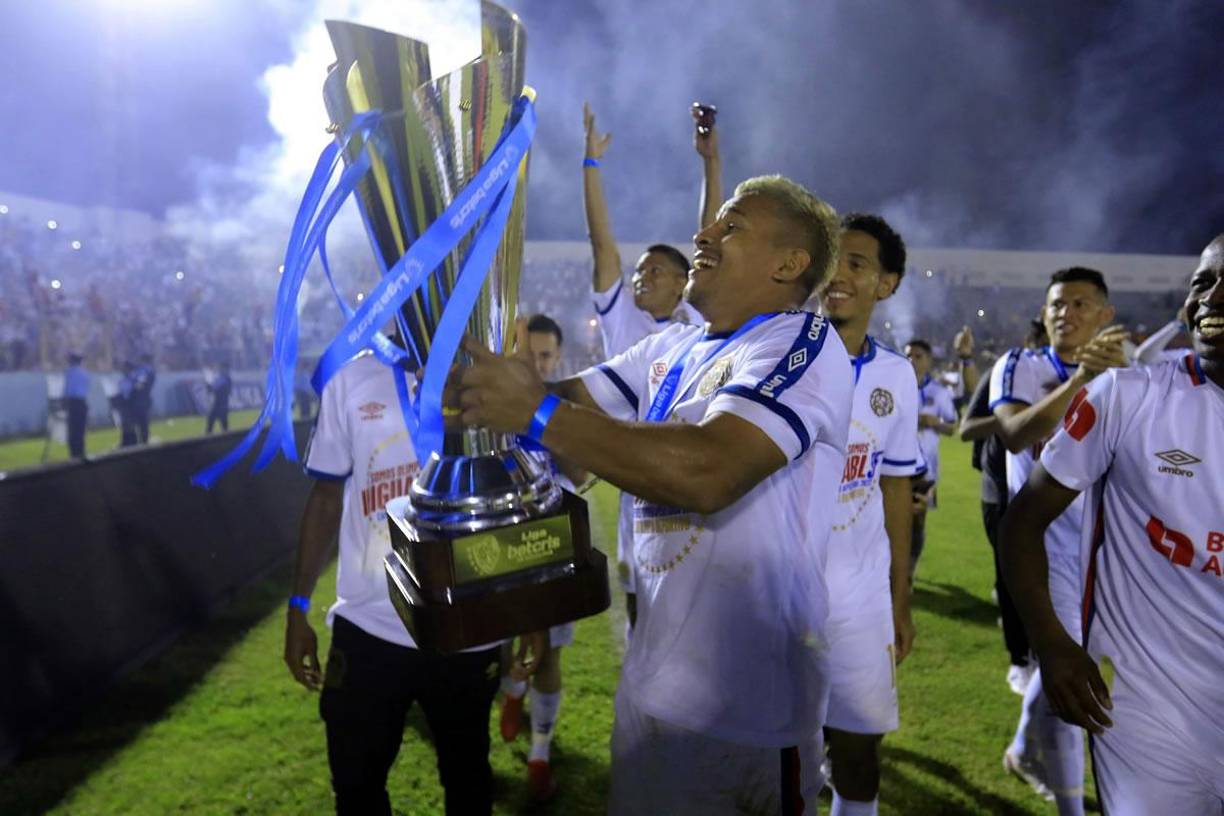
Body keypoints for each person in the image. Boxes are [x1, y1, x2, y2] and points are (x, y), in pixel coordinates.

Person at [457, 175, 850, 814]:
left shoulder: (799, 345)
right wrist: (484, 379)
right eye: (713, 223)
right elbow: (565, 412)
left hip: (747, 721)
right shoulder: (672, 346)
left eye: (732, 227)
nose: (704, 235)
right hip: (647, 696)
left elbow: (711, 472)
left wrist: (533, 411)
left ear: (789, 264)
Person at [999, 235, 1224, 815]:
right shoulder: (1129, 395)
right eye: (1202, 282)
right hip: (1149, 711)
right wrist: (1052, 646)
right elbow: (1020, 514)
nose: (1212, 296)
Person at [284, 345, 544, 816]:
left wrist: (528, 610)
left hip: (467, 626)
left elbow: (515, 497)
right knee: (356, 787)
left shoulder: (490, 371)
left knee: (468, 783)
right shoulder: (351, 374)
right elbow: (326, 497)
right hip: (369, 626)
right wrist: (298, 606)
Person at [988, 267, 1126, 815]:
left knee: (1062, 669)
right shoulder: (1019, 364)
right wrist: (1079, 382)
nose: (1065, 313)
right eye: (1056, 304)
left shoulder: (1128, 375)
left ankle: (1023, 749)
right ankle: (1072, 807)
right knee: (1070, 675)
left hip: (1109, 548)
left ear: (1105, 316)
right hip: (1042, 545)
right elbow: (1014, 433)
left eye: (1080, 304)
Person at [815, 213, 923, 816]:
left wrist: (899, 598)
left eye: (856, 263)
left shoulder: (896, 376)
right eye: (832, 259)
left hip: (858, 596)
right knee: (778, 751)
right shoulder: (781, 353)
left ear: (887, 284)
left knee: (857, 748)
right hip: (778, 590)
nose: (838, 274)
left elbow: (893, 488)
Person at [582, 102, 702, 626]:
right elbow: (600, 243)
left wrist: (711, 166)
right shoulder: (624, 324)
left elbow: (710, 231)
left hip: (693, 468)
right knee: (640, 592)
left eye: (654, 270)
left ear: (683, 282)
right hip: (637, 479)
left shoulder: (699, 320)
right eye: (637, 271)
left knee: (697, 589)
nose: (640, 277)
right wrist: (591, 166)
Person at [498, 314, 587, 801]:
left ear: (558, 359)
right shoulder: (489, 409)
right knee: (506, 646)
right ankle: (512, 695)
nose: (535, 364)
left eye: (545, 356)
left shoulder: (564, 410)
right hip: (499, 549)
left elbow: (585, 474)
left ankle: (539, 753)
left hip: (552, 547)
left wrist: (556, 430)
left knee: (550, 651)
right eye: (527, 355)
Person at [959, 319, 1046, 697]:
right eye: (1044, 341)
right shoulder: (1004, 372)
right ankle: (1019, 659)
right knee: (1012, 577)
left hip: (1049, 494)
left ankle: (1042, 649)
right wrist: (1016, 414)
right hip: (1001, 491)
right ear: (1032, 340)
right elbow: (967, 428)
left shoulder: (1073, 377)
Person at [905, 339, 957, 576]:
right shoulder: (894, 386)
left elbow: (953, 427)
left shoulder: (939, 392)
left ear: (928, 361)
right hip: (893, 469)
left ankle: (910, 571)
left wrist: (936, 422)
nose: (912, 361)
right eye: (908, 355)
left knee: (917, 522)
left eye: (918, 356)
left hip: (926, 471)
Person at [63, 352, 90, 458]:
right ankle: (81, 451)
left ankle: (74, 453)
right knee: (81, 429)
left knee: (73, 430)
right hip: (82, 402)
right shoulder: (85, 373)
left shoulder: (69, 372)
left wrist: (63, 402)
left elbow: (67, 389)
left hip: (73, 402)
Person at [130, 353, 156, 444]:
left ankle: (143, 440)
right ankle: (144, 438)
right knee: (143, 421)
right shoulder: (149, 370)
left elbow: (140, 384)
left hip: (139, 398)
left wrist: (133, 390)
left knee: (140, 421)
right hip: (145, 397)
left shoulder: (144, 370)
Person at [205, 361, 232, 434]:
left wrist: (208, 384)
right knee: (220, 423)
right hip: (222, 404)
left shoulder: (224, 379)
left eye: (221, 368)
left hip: (219, 404)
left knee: (212, 422)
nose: (219, 369)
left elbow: (212, 388)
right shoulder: (224, 378)